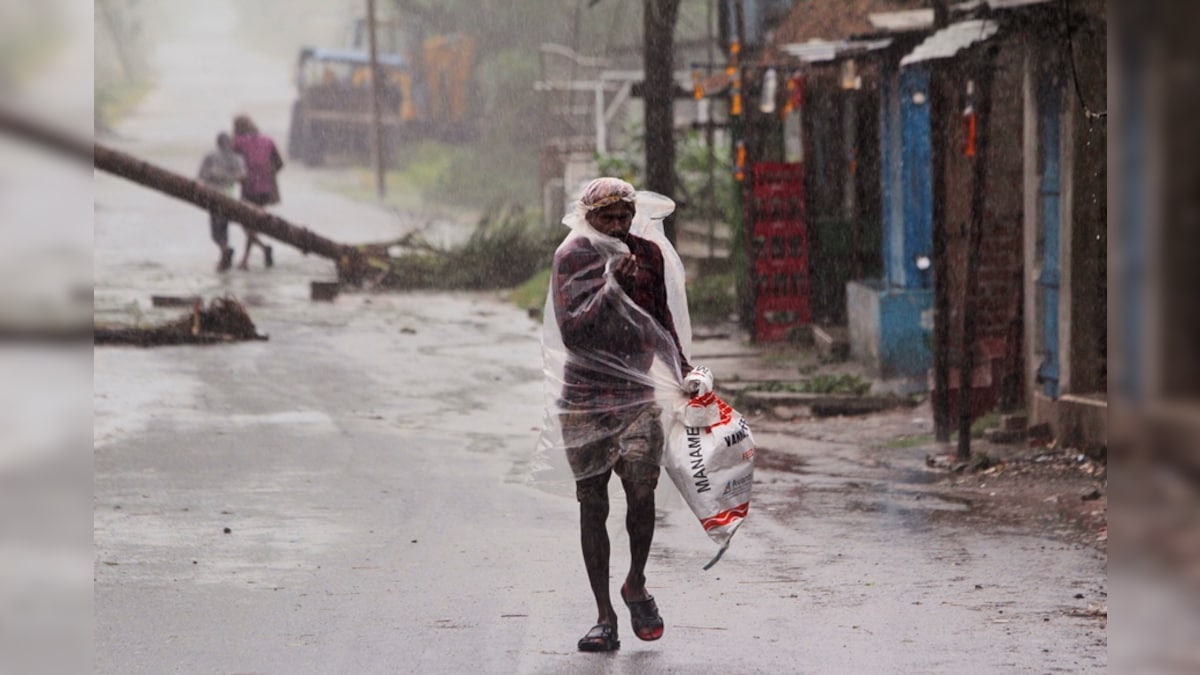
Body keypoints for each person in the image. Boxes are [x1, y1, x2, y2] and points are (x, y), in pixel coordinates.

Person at [541, 177, 708, 653]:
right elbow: (574, 331)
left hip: (636, 394)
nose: (617, 226)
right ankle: (603, 615)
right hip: (585, 399)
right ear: (587, 217)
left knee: (641, 490)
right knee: (592, 501)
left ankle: (635, 581)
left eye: (624, 217)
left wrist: (683, 369)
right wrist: (614, 283)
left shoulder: (648, 255)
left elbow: (661, 322)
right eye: (607, 218)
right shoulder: (573, 258)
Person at [231, 114, 282, 269]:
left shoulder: (239, 142)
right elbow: (279, 163)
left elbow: (230, 159)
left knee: (246, 222)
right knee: (252, 223)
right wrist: (267, 174)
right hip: (265, 190)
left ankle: (258, 251)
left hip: (249, 188)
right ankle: (249, 257)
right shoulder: (268, 140)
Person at [197, 132, 245, 272]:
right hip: (230, 196)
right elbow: (242, 176)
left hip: (214, 196)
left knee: (215, 230)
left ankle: (224, 251)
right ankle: (224, 254)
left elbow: (202, 176)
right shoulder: (236, 159)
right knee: (224, 226)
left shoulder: (210, 157)